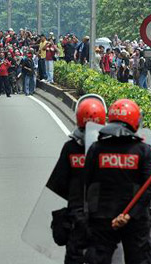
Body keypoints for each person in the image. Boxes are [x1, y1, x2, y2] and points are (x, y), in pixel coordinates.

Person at [84, 99, 151, 264]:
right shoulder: (143, 151)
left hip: (102, 218)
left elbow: (87, 181)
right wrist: (129, 215)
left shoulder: (96, 148)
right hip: (135, 219)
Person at [47, 94, 107, 264]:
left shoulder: (71, 147)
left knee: (74, 257)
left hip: (77, 216)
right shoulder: (109, 148)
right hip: (105, 217)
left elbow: (58, 182)